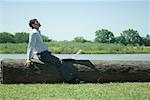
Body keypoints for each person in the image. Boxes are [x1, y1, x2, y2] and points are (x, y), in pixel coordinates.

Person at [25, 19, 78, 83]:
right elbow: (31, 46)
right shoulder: (34, 33)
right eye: (37, 22)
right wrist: (28, 59)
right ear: (33, 25)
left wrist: (32, 56)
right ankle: (70, 80)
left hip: (45, 54)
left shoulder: (37, 32)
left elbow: (37, 45)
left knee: (61, 61)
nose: (39, 23)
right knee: (61, 63)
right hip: (43, 55)